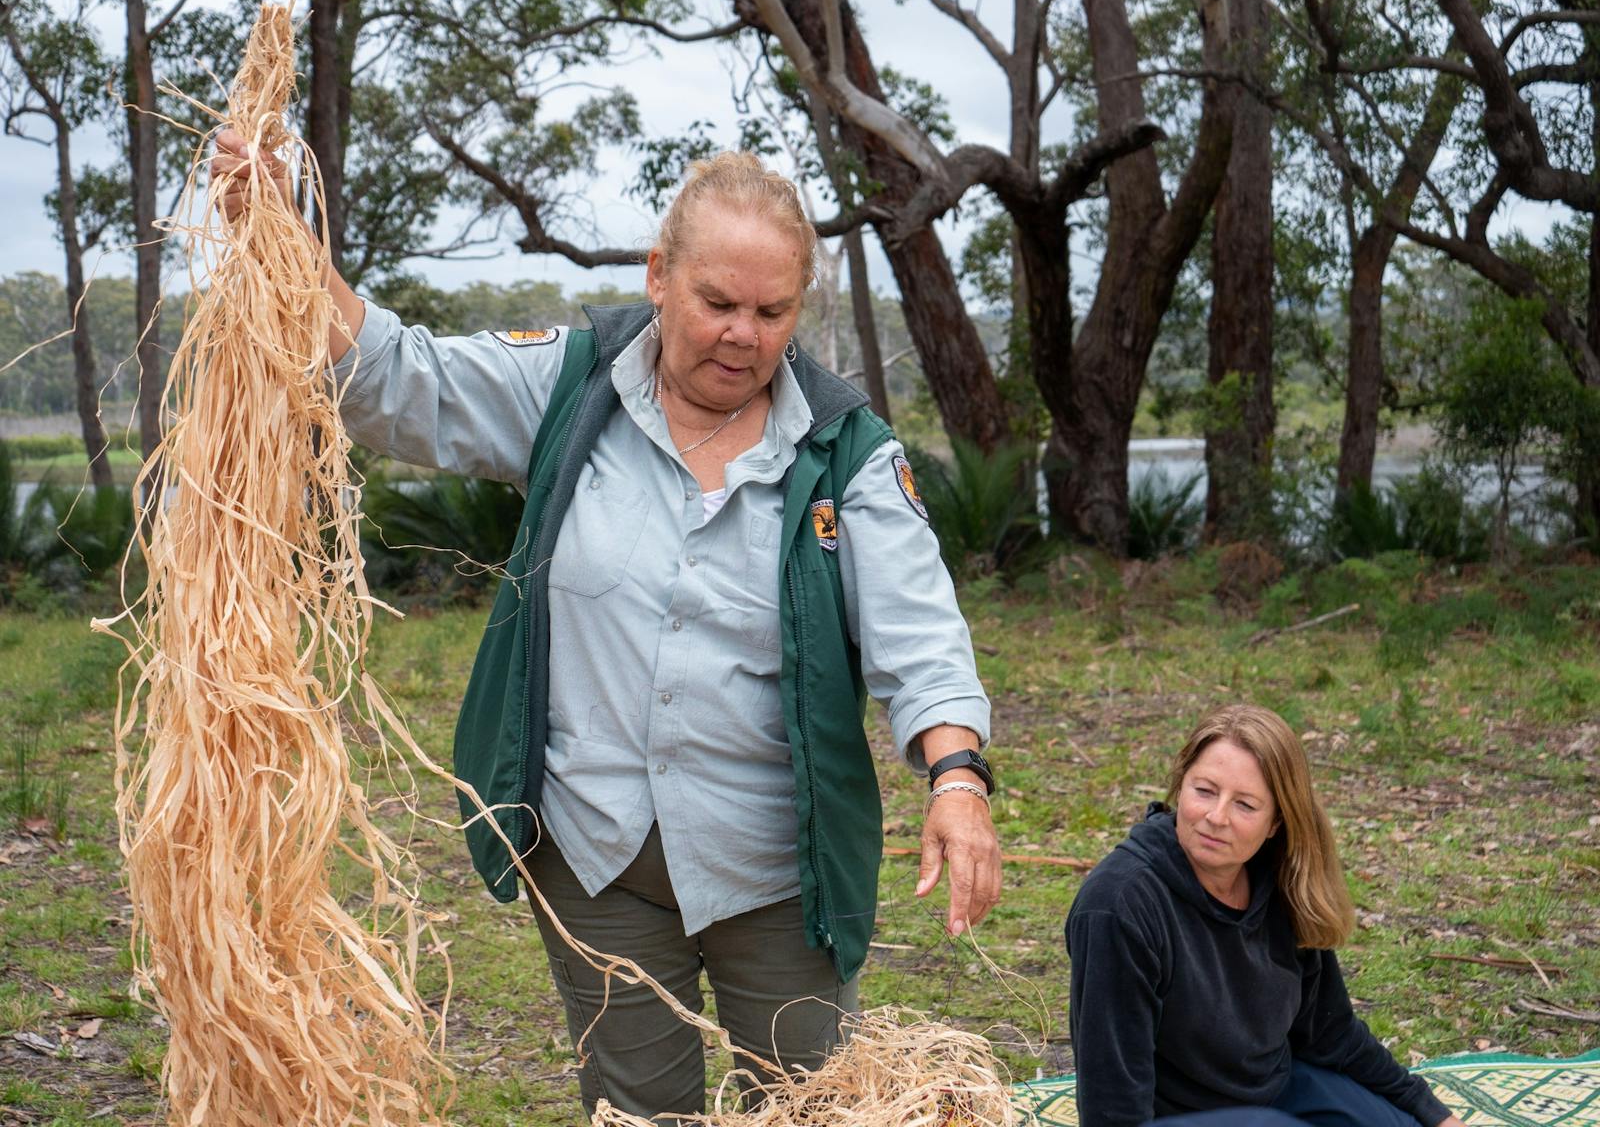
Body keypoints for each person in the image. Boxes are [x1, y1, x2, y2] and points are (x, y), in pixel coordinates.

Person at [210, 137, 1002, 1121]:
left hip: (775, 871)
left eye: (772, 312)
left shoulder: (846, 451)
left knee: (813, 1106)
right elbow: (395, 380)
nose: (743, 337)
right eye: (717, 303)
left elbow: (919, 635)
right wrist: (285, 241)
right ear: (659, 276)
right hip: (595, 858)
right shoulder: (575, 386)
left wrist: (957, 781)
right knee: (635, 1107)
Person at [1064, 705, 1464, 1127]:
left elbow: (1331, 1032)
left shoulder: (1277, 880)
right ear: (1179, 787)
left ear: (1276, 822)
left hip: (1272, 1092)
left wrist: (1432, 1112)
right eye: (1204, 791)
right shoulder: (1119, 904)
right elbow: (1112, 1107)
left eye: (1245, 805)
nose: (1216, 818)